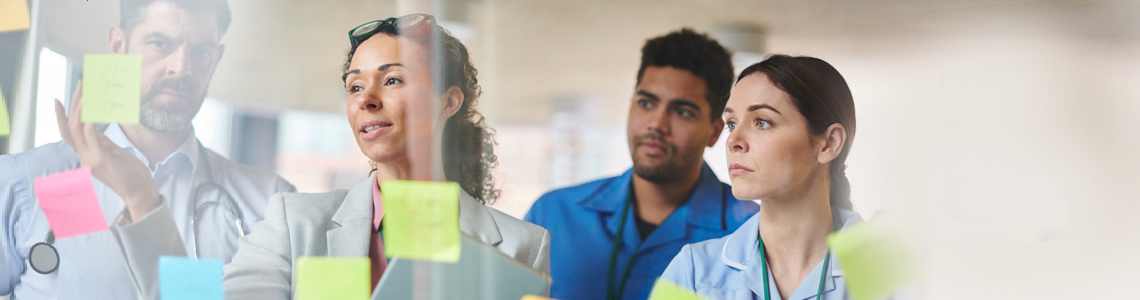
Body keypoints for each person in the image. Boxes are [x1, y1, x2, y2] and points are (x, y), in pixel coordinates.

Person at [220, 14, 550, 299]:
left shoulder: (522, 247)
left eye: (392, 80)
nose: (367, 100)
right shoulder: (292, 223)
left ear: (448, 102)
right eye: (355, 87)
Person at [0, 0, 295, 299]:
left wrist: (143, 200)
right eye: (159, 43)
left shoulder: (268, 206)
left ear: (216, 58)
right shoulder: (26, 179)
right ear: (118, 43)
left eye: (200, 51)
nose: (180, 67)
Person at [524, 28, 760, 300]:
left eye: (682, 111)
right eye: (646, 103)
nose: (656, 125)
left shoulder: (751, 232)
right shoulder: (552, 215)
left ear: (714, 132)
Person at [658, 55, 861, 300]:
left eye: (762, 122)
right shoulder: (691, 273)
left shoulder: (895, 272)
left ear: (829, 143)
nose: (732, 141)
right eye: (731, 124)